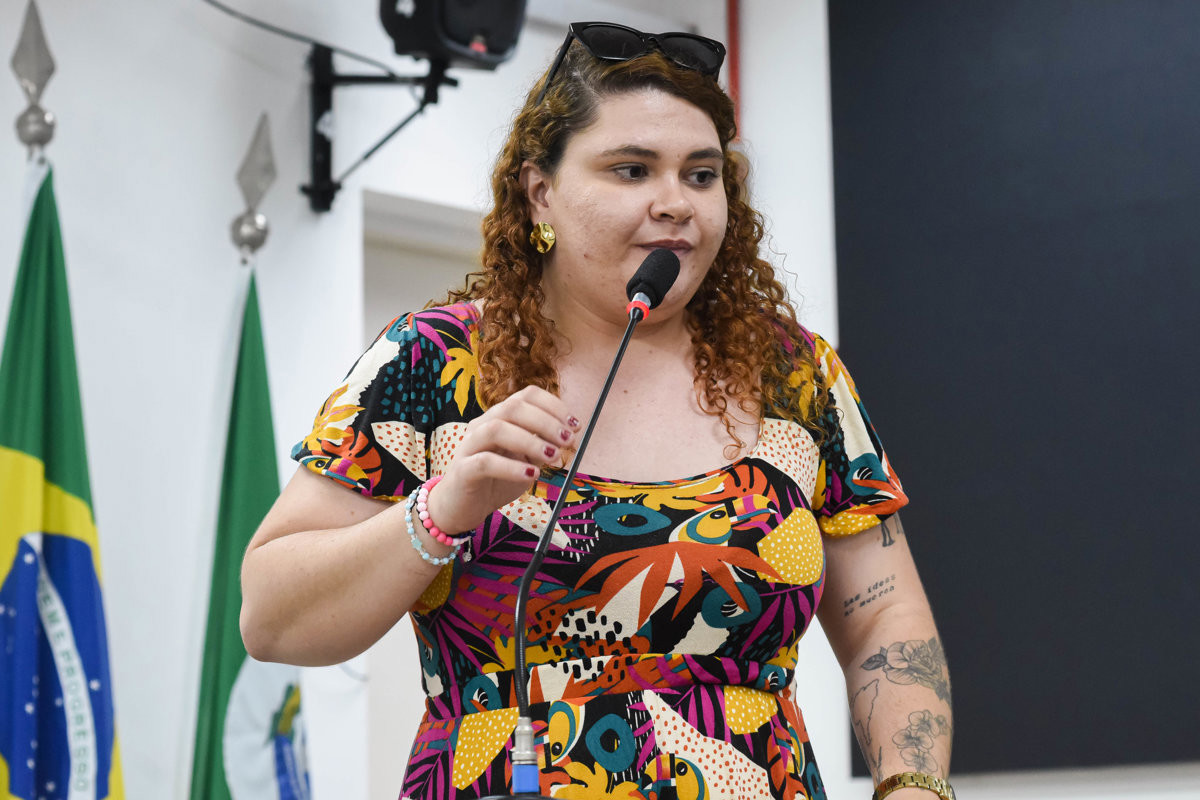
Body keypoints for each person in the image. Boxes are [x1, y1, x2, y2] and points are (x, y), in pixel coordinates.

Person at [240, 21, 954, 800]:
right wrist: (441, 510)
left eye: (702, 174)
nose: (675, 204)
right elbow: (271, 619)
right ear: (539, 189)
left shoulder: (793, 371)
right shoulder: (432, 361)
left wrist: (911, 785)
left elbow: (887, 621)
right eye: (632, 169)